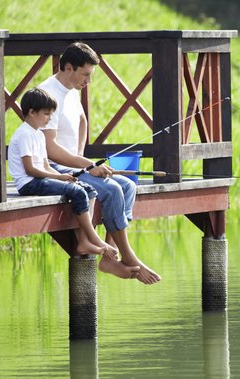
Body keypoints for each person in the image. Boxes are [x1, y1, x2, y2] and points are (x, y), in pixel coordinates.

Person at [39, 42, 161, 285]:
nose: (88, 82)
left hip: (74, 164)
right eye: (85, 74)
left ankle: (108, 256)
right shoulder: (48, 94)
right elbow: (50, 149)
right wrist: (85, 165)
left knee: (127, 185)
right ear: (69, 67)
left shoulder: (72, 89)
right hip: (55, 169)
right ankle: (128, 256)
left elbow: (82, 119)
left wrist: (80, 158)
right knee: (112, 189)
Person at [8, 88, 119, 261]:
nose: (50, 118)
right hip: (29, 183)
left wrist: (67, 176)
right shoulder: (24, 134)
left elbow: (44, 165)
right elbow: (30, 169)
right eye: (46, 114)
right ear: (31, 112)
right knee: (77, 192)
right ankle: (93, 238)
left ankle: (84, 240)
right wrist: (59, 177)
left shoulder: (38, 134)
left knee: (88, 189)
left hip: (41, 178)